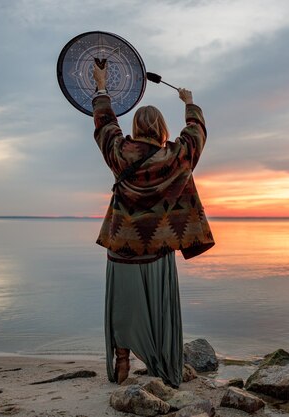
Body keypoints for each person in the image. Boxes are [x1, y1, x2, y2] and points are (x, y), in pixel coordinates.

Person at [91, 63, 214, 387]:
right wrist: (189, 104)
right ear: (160, 128)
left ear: (136, 127)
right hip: (157, 252)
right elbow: (196, 135)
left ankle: (122, 361)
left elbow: (105, 124)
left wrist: (101, 86)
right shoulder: (174, 157)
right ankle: (162, 364)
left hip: (122, 248)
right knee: (159, 313)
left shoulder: (119, 153)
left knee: (122, 308)